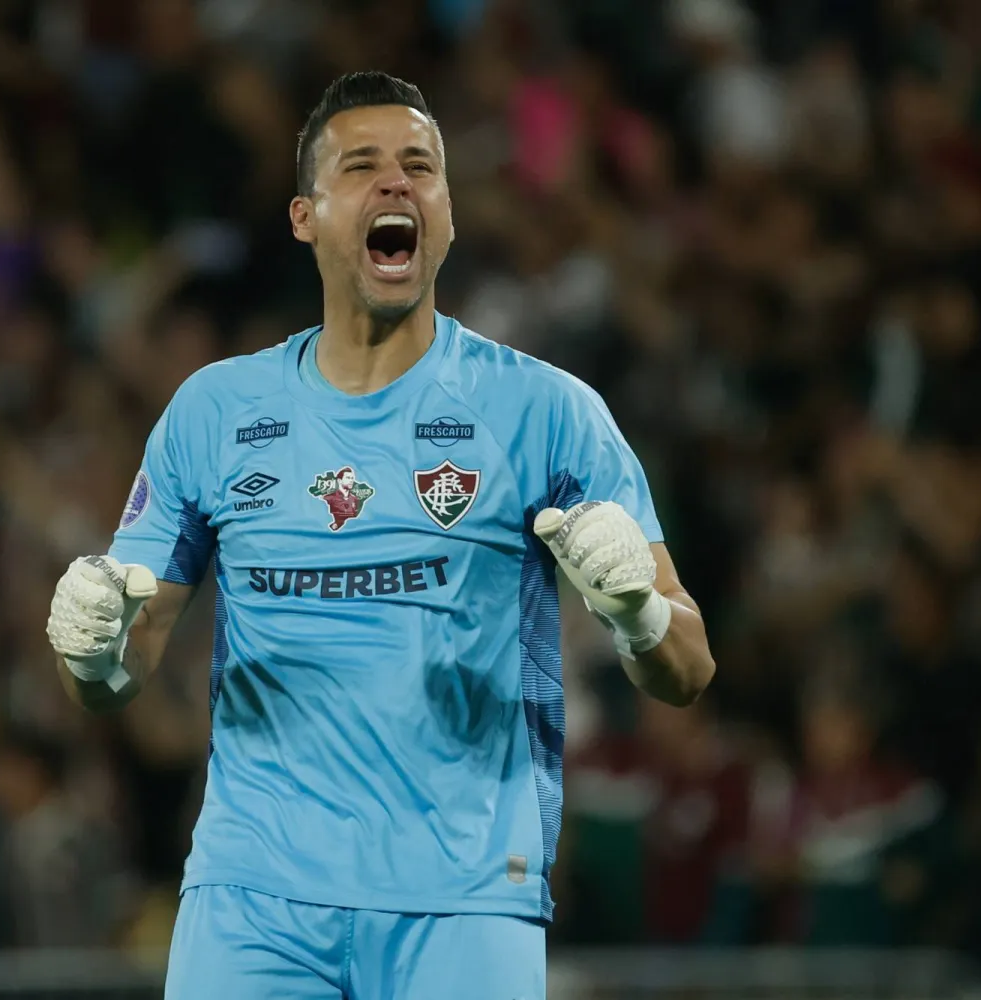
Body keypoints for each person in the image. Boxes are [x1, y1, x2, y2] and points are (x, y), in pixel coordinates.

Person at [45, 71, 716, 999]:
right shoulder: (213, 413)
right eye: (361, 166)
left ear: (446, 216)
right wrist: (89, 654)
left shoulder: (547, 413)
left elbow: (687, 668)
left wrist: (638, 612)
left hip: (466, 898)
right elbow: (119, 676)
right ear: (304, 217)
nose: (397, 184)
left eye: (420, 168)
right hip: (254, 899)